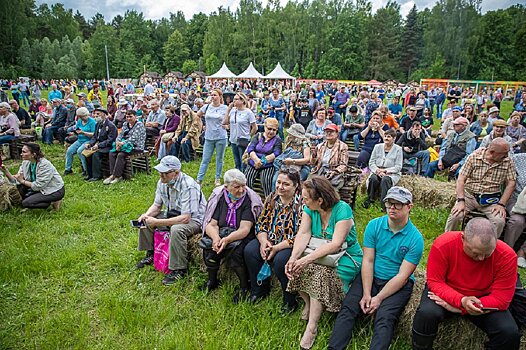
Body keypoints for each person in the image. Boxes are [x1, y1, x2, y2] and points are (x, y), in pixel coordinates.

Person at [329, 187, 424, 350]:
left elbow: (402, 276)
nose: (392, 207)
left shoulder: (415, 239)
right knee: (349, 306)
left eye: (398, 204)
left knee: (385, 317)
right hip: (371, 275)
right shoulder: (374, 225)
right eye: (389, 203)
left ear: (409, 206)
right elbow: (368, 260)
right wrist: (367, 293)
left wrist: (378, 298)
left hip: (397, 283)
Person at [411, 217, 520, 350]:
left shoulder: (507, 256)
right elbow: (435, 282)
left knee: (509, 333)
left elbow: (501, 299)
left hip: (483, 298)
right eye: (476, 253)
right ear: (463, 238)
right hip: (447, 291)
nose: (481, 258)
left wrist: (462, 308)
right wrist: (461, 300)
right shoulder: (443, 244)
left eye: (487, 254)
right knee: (427, 314)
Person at [286, 176, 363, 350]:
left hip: (346, 256)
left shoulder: (342, 209)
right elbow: (303, 234)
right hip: (319, 252)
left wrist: (306, 259)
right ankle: (308, 303)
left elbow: (336, 244)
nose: (303, 201)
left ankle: (312, 326)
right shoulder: (309, 209)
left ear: (320, 200)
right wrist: (294, 257)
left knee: (318, 273)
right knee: (294, 266)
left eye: (306, 198)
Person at [135, 156, 207, 285]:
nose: (161, 175)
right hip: (174, 213)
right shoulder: (162, 182)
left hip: (195, 219)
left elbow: (186, 218)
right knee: (146, 220)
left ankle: (178, 269)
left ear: (176, 173)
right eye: (160, 172)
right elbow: (157, 206)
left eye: (165, 173)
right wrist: (146, 215)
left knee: (177, 229)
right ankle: (151, 253)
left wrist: (157, 222)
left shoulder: (189, 186)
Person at [245, 169, 303, 311]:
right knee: (250, 251)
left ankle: (289, 300)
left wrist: (277, 248)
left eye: (285, 184)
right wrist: (264, 241)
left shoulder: (301, 203)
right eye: (278, 182)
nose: (280, 187)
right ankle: (259, 290)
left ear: (295, 186)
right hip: (270, 239)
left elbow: (302, 234)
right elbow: (261, 223)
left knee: (281, 262)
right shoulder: (272, 197)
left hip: (290, 243)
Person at [201, 169, 263, 302]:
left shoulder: (249, 200)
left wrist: (227, 240)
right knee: (210, 248)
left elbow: (245, 229)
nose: (241, 190)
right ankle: (212, 280)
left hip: (241, 235)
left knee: (237, 253)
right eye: (237, 187)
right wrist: (216, 238)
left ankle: (243, 287)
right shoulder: (220, 197)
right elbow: (211, 224)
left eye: (243, 186)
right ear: (226, 187)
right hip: (223, 232)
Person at [444, 138, 516, 237]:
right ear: (492, 152)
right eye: (504, 153)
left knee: (499, 221)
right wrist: (461, 201)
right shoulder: (474, 157)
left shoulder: (508, 162)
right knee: (456, 216)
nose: (506, 156)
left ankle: (489, 246)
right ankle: (448, 240)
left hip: (492, 199)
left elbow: (511, 183)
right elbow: (461, 179)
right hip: (470, 196)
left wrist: (501, 204)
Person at [0, 142, 64, 210]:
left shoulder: (45, 165)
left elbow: (38, 185)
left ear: (33, 154)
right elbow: (16, 181)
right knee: (20, 188)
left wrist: (22, 181)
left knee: (26, 203)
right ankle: (38, 198)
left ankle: (52, 201)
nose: (21, 154)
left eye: (24, 152)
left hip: (53, 190)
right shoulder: (26, 162)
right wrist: (5, 171)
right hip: (38, 187)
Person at [103, 110, 146, 185]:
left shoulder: (139, 125)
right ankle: (112, 174)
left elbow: (134, 138)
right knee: (112, 152)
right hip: (124, 145)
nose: (129, 118)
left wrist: (122, 143)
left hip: (136, 147)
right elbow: (120, 134)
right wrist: (117, 142)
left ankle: (117, 176)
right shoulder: (126, 124)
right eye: (127, 117)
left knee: (121, 155)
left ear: (135, 116)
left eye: (130, 116)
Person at [196, 89, 228, 186]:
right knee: (205, 159)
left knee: (219, 158)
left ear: (220, 96)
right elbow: (197, 116)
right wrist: (202, 126)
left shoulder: (224, 108)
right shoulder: (206, 107)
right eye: (211, 95)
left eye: (215, 95)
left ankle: (217, 178)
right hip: (209, 136)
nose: (213, 96)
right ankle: (199, 179)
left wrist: (227, 125)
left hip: (221, 136)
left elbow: (229, 120)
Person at [365, 129, 403, 209]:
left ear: (394, 138)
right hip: (377, 170)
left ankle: (384, 204)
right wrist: (377, 171)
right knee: (373, 178)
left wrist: (386, 171)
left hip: (391, 173)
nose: (386, 138)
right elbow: (371, 162)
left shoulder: (398, 149)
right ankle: (370, 199)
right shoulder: (377, 147)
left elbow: (398, 167)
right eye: (385, 136)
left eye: (388, 137)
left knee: (385, 180)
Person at [244, 118, 283, 197]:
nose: (271, 131)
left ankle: (267, 200)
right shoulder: (258, 136)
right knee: (247, 179)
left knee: (266, 180)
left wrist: (262, 162)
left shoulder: (277, 140)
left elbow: (276, 153)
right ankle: (248, 199)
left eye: (274, 130)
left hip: (268, 164)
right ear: (265, 127)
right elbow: (250, 149)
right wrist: (256, 160)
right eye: (269, 129)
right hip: (254, 162)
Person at [223, 92, 257, 171]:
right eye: (233, 99)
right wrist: (228, 109)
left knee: (243, 162)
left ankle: (243, 177)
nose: (233, 101)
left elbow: (255, 127)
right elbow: (225, 122)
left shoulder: (248, 112)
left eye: (236, 99)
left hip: (243, 139)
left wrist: (249, 136)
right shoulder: (233, 111)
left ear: (242, 101)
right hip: (233, 139)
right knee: (237, 161)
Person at [309, 123, 348, 190]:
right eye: (327, 132)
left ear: (337, 133)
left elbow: (343, 165)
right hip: (319, 172)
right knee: (309, 185)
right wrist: (313, 155)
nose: (328, 133)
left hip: (334, 173)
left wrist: (335, 171)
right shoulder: (320, 146)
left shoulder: (342, 146)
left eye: (331, 131)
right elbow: (312, 163)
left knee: (327, 188)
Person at [503, 153, 526, 265]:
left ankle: (522, 251)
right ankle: (507, 251)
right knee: (517, 220)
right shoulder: (517, 159)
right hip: (517, 199)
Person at [272, 124, 311, 188]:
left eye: (291, 134)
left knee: (293, 181)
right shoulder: (289, 140)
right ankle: (275, 196)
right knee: (275, 180)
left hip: (301, 166)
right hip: (286, 165)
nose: (289, 135)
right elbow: (284, 154)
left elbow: (306, 159)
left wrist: (292, 161)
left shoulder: (305, 143)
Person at [84, 107, 118, 181]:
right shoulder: (98, 124)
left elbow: (110, 140)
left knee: (96, 154)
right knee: (87, 153)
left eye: (98, 114)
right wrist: (90, 144)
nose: (96, 116)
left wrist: (98, 145)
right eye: (95, 114)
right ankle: (90, 174)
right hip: (99, 145)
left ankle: (97, 175)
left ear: (104, 114)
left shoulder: (110, 125)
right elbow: (95, 137)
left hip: (108, 146)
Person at [63, 107, 96, 177]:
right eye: (80, 117)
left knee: (80, 151)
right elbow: (77, 129)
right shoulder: (80, 121)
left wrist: (83, 133)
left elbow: (94, 134)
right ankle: (68, 169)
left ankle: (86, 170)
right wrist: (74, 133)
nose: (81, 118)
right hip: (79, 140)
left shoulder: (92, 122)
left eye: (82, 117)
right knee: (69, 151)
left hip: (88, 141)